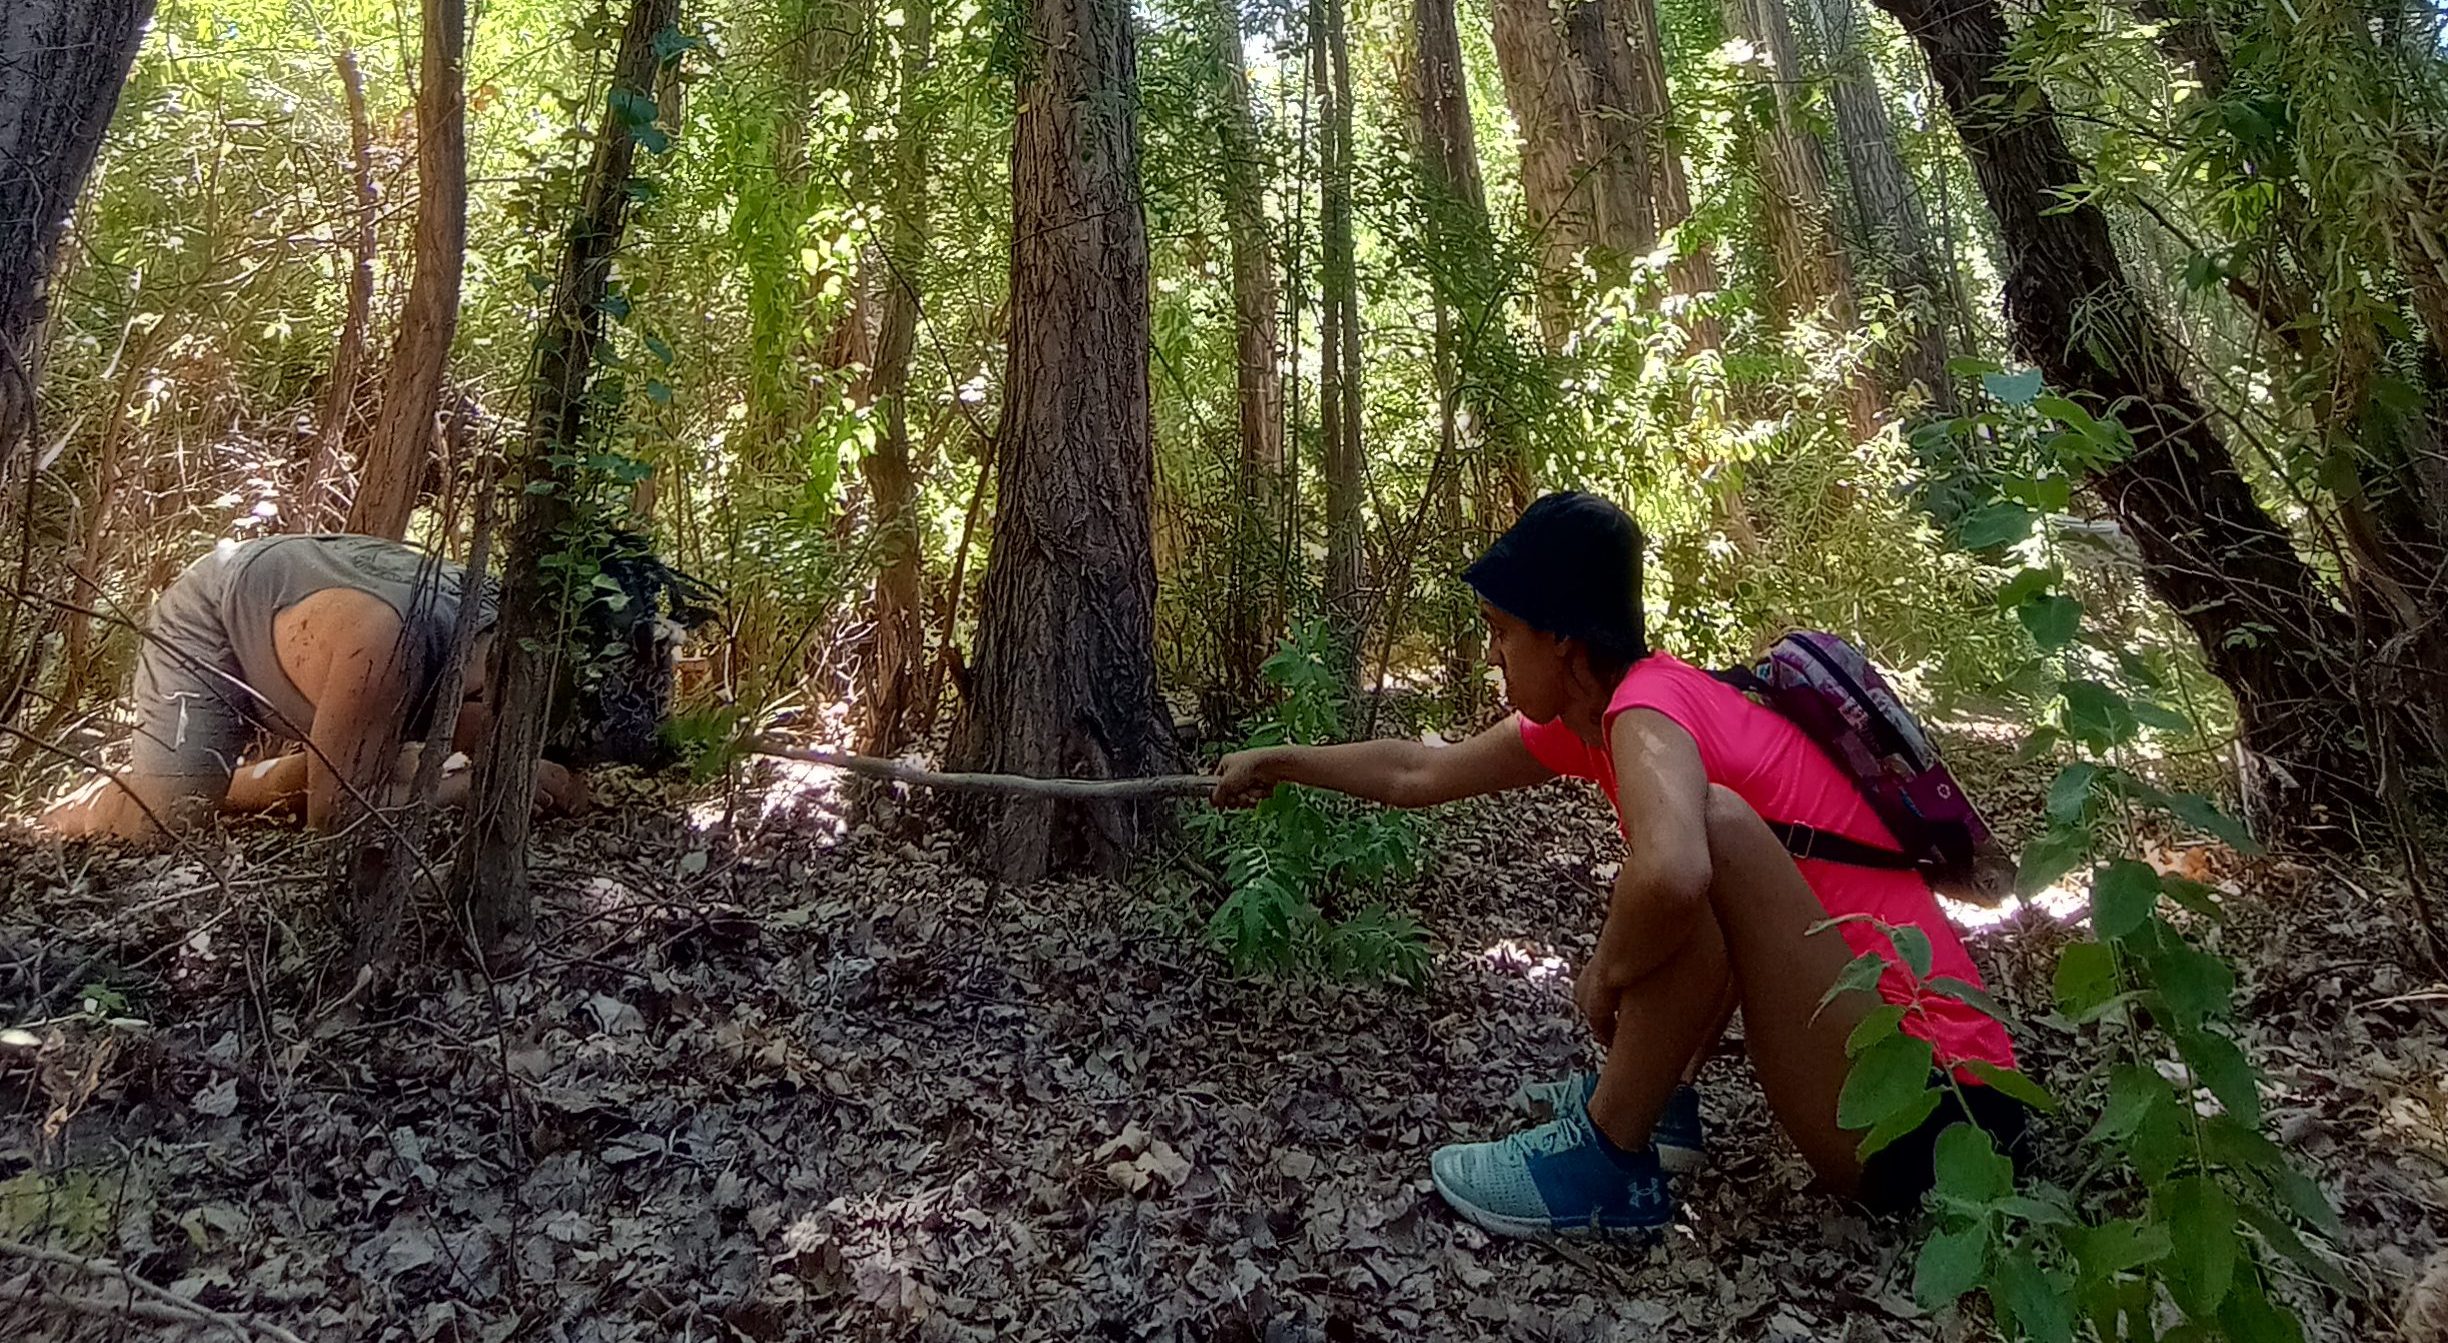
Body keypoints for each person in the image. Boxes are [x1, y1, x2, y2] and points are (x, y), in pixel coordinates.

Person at [1211, 491, 2024, 1239]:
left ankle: (1607, 1154)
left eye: (1502, 629)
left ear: (1562, 636)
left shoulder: (1646, 712)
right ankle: (1660, 1114)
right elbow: (1420, 771)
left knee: (1706, 832)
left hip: (1938, 1128)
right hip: (1920, 1106)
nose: (1491, 652)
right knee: (1703, 842)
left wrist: (1603, 973)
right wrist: (1281, 761)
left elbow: (1673, 873)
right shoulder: (1605, 713)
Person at [39, 532, 582, 840]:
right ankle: (95, 800)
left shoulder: (517, 629)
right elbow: (336, 819)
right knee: (166, 822)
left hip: (325, 621)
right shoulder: (387, 647)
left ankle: (263, 777)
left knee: (353, 771)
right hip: (224, 610)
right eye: (503, 728)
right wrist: (475, 789)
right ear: (485, 692)